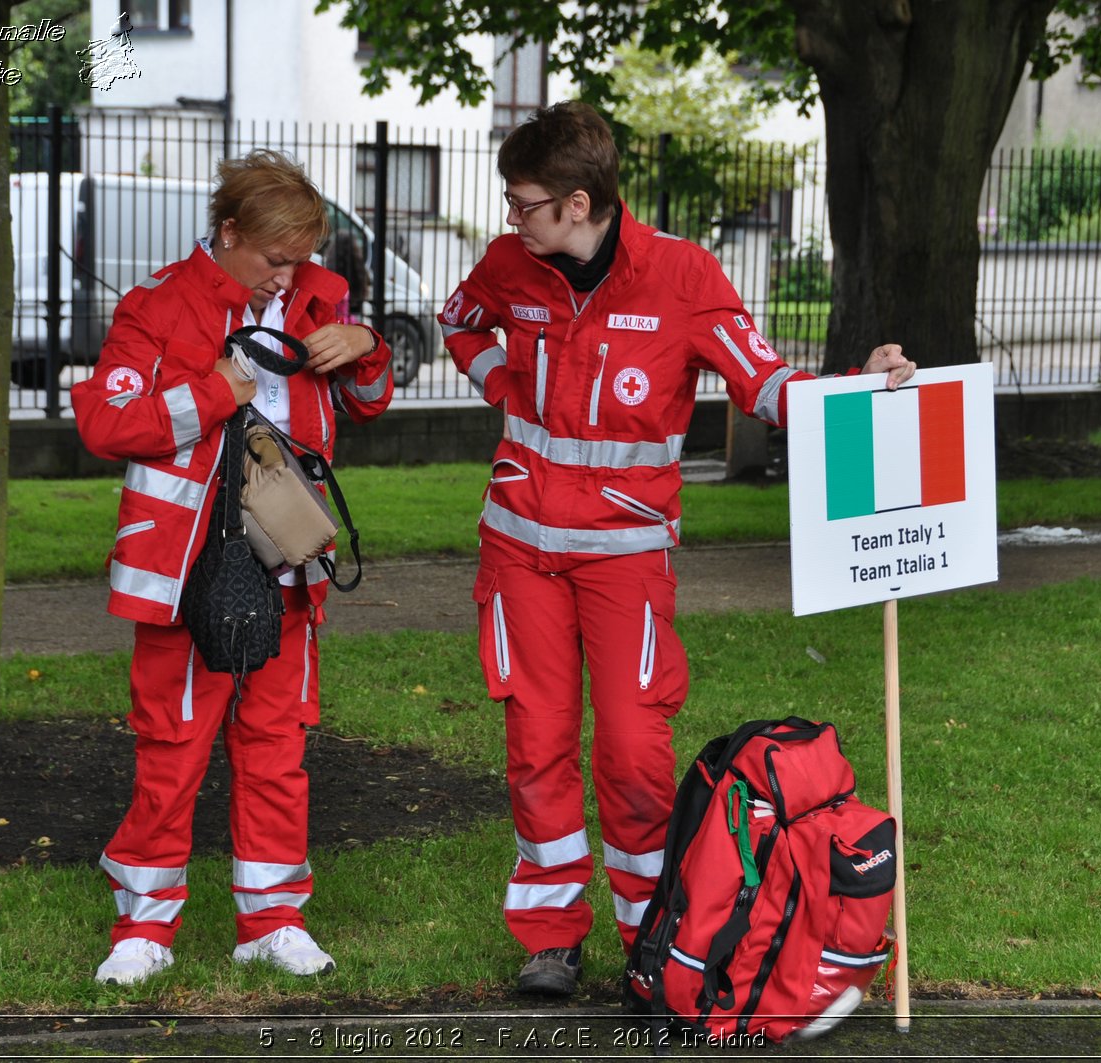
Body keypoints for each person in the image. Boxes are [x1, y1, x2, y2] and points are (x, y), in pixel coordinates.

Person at [437, 101, 915, 997]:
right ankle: (550, 935)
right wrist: (498, 378)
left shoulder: (681, 276)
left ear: (580, 204)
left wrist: (857, 389)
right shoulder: (511, 264)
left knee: (629, 748)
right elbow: (458, 318)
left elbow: (764, 382)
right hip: (519, 552)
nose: (511, 218)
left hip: (624, 556)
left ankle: (654, 936)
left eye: (525, 202)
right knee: (536, 741)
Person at [71, 149, 394, 986]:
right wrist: (214, 389)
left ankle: (273, 921)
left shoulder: (319, 296)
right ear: (227, 233)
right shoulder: (157, 306)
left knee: (277, 745)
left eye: (300, 259)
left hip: (288, 560)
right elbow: (109, 427)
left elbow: (367, 399)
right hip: (185, 570)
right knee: (173, 745)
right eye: (273, 259)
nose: (287, 278)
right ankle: (143, 926)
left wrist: (364, 344)